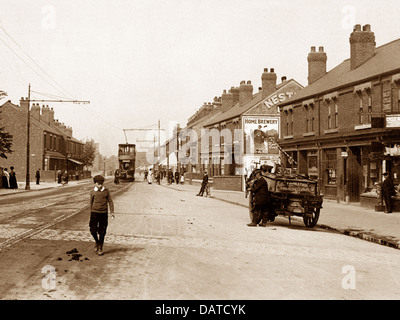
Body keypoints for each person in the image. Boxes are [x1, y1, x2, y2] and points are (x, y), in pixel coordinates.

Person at [89, 175, 114, 256]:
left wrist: (112, 211)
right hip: (94, 213)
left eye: (101, 184)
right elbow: (90, 203)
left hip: (103, 213)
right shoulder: (93, 192)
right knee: (93, 230)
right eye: (98, 184)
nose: (100, 185)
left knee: (102, 231)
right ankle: (97, 241)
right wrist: (91, 213)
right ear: (95, 183)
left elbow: (110, 201)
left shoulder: (106, 191)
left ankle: (100, 247)